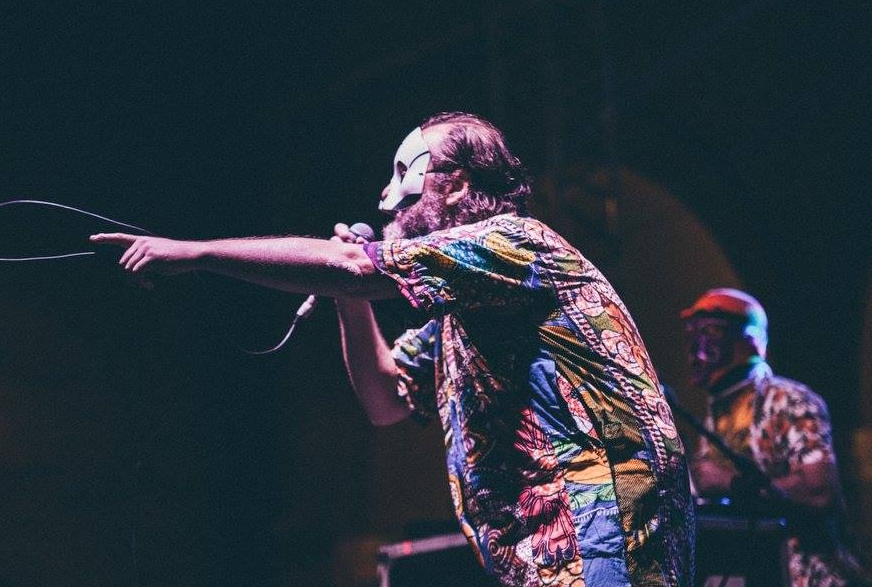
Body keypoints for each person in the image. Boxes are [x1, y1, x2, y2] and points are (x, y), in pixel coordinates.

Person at [92, 112, 694, 586]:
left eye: (405, 173)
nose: (387, 195)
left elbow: (357, 269)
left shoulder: (512, 244)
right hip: (547, 543)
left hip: (600, 520)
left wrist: (196, 252)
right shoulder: (464, 307)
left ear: (456, 184)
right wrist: (348, 297)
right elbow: (385, 399)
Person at [683, 287, 867, 587]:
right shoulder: (717, 412)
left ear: (748, 339)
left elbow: (819, 493)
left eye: (710, 332)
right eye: (692, 333)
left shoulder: (788, 400)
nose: (696, 348)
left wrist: (731, 483)